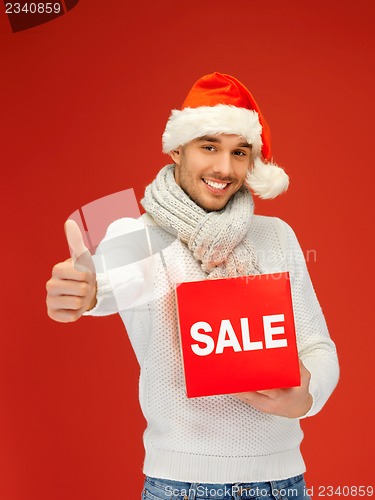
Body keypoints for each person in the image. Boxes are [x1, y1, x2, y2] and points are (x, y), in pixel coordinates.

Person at [46, 72, 339, 499]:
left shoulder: (276, 235)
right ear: (176, 149)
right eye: (208, 147)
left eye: (239, 152)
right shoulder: (139, 234)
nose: (224, 167)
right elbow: (110, 282)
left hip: (286, 484)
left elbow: (318, 345)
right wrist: (85, 293)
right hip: (182, 487)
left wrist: (307, 396)